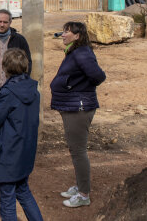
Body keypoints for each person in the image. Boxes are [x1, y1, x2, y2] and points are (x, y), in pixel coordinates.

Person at [50, 21, 106, 208]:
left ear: (77, 36)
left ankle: (84, 195)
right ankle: (80, 186)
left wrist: (76, 86)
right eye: (63, 30)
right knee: (75, 150)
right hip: (72, 106)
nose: (63, 34)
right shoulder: (74, 52)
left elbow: (98, 76)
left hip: (79, 108)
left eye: (67, 32)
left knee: (79, 151)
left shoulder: (81, 53)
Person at [0, 48, 43, 221]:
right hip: (25, 151)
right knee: (23, 191)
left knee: (7, 201)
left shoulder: (8, 93)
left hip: (8, 154)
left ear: (5, 67)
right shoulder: (34, 90)